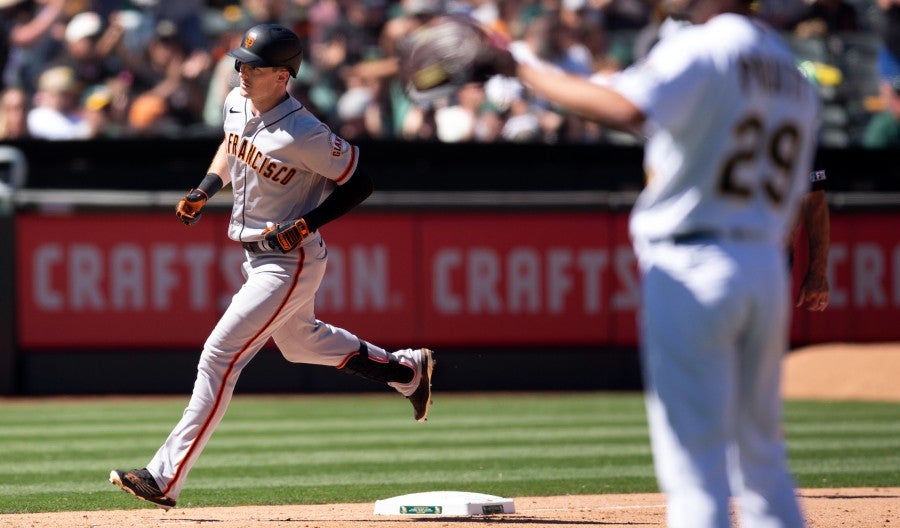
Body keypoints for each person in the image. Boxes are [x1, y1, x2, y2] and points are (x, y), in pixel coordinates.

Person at [474, 0, 821, 526]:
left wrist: (517, 66)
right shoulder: (792, 71)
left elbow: (624, 106)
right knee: (763, 465)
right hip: (765, 261)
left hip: (694, 261)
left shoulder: (703, 48)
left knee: (696, 474)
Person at [109, 23, 435, 511]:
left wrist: (307, 224)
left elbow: (359, 182)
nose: (242, 70)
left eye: (253, 66)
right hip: (255, 255)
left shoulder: (305, 132)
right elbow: (229, 144)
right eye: (240, 61)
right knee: (302, 344)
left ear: (282, 76)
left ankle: (163, 476)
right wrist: (204, 189)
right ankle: (406, 370)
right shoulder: (238, 103)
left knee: (219, 355)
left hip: (289, 262)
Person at [789, 171, 830, 312]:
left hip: (774, 257)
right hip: (771, 258)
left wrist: (817, 273)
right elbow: (814, 201)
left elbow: (814, 199)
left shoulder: (799, 149)